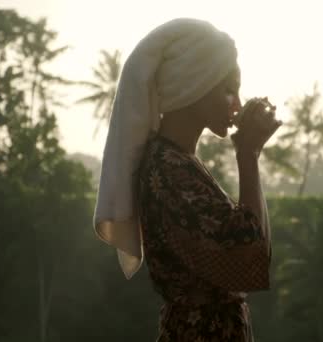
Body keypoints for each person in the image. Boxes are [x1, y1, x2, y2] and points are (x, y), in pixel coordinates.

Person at [93, 18, 281, 341]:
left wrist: (249, 155)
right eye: (228, 90)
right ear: (194, 86)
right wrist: (247, 156)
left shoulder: (179, 163)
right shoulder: (169, 173)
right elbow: (250, 258)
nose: (237, 104)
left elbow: (256, 250)